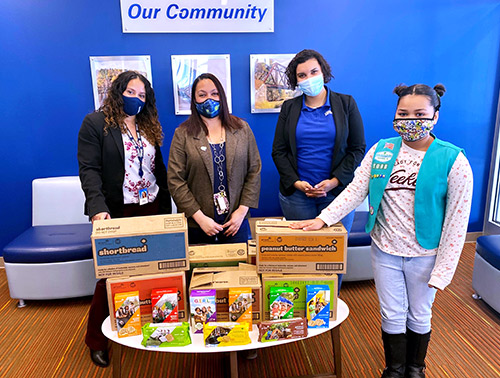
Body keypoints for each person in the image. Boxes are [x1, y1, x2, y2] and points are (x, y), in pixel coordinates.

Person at [291, 84, 473, 378]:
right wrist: (323, 220)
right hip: (385, 249)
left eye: (419, 114)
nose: (410, 120)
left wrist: (444, 271)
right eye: (403, 113)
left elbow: (457, 221)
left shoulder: (454, 160)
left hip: (426, 254)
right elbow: (354, 192)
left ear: (435, 116)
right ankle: (394, 368)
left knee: (419, 313)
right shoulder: (382, 150)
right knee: (391, 313)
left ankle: (415, 369)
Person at [78, 70, 171, 368]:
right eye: (131, 92)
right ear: (118, 92)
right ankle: (97, 340)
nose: (136, 99)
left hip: (152, 207)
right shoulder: (96, 123)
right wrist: (97, 208)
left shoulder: (147, 125)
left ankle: (147, 327)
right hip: (116, 211)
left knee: (154, 272)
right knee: (111, 277)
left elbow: (158, 169)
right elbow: (89, 169)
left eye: (142, 95)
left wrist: (168, 206)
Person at [271, 49, 366, 287]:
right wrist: (296, 183)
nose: (309, 78)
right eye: (302, 75)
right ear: (296, 81)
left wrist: (334, 181)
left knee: (332, 259)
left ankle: (329, 306)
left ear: (323, 71)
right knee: (302, 257)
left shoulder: (346, 104)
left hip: (336, 195)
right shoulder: (289, 108)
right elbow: (279, 151)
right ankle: (301, 312)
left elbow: (357, 148)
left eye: (313, 72)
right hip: (297, 196)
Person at [168, 73, 261, 245]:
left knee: (237, 271)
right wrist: (200, 218)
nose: (209, 99)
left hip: (236, 223)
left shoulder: (242, 129)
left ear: (222, 96)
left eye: (214, 93)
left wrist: (241, 211)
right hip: (198, 225)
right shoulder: (182, 134)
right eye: (202, 95)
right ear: (194, 100)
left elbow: (254, 170)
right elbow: (175, 181)